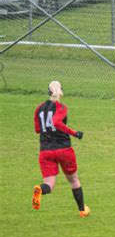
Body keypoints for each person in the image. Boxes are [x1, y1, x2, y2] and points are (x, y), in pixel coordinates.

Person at [32, 80, 90, 217]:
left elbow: (37, 129)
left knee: (49, 184)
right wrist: (75, 133)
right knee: (74, 180)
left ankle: (40, 189)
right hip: (63, 149)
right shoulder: (61, 108)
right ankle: (82, 210)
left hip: (45, 150)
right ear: (61, 92)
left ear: (48, 92)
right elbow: (56, 122)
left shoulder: (39, 108)